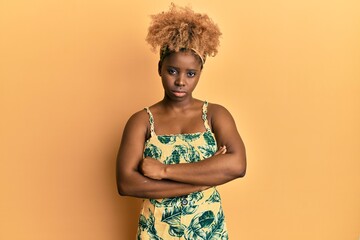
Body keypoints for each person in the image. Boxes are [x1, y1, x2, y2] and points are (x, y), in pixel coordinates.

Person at [116, 4, 246, 239]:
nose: (181, 81)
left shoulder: (216, 115)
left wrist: (164, 170)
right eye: (173, 71)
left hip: (207, 232)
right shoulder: (142, 121)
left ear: (200, 73)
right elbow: (127, 184)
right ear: (160, 68)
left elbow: (237, 166)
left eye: (190, 74)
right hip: (157, 232)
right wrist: (203, 180)